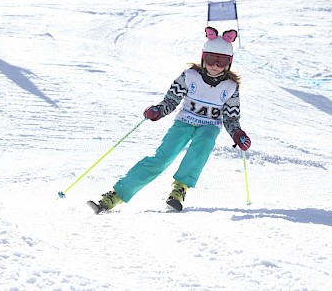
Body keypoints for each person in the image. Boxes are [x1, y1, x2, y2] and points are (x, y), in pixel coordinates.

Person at [87, 26, 251, 213]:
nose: (215, 65)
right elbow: (171, 100)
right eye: (211, 59)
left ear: (229, 63)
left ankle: (179, 189)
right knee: (162, 159)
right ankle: (116, 195)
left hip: (210, 125)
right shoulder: (190, 76)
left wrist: (237, 133)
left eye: (221, 61)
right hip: (185, 121)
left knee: (203, 145)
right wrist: (158, 110)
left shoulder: (230, 86)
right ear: (203, 57)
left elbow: (230, 117)